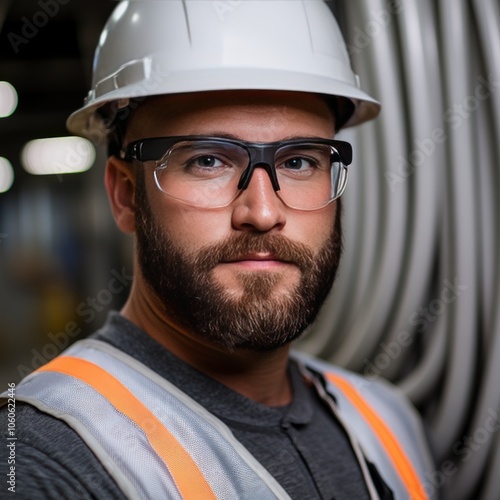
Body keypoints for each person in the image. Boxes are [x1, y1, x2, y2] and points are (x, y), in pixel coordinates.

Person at [1, 1, 436, 498]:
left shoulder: (388, 421)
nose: (263, 212)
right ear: (125, 195)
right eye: (208, 160)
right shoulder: (44, 454)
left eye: (299, 162)